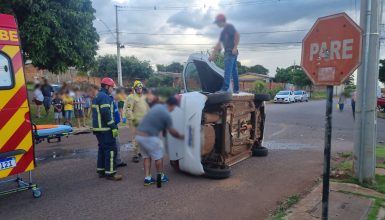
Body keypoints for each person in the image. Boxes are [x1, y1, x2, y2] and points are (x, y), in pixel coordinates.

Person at [136, 96, 184, 186]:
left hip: (139, 135)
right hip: (149, 137)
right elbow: (172, 131)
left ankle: (147, 178)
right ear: (172, 105)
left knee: (147, 157)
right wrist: (182, 137)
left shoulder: (157, 107)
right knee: (159, 156)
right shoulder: (167, 114)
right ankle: (160, 177)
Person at [92, 77, 122, 181]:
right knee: (110, 150)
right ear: (107, 86)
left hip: (99, 129)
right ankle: (110, 173)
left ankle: (101, 170)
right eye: (112, 87)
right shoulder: (104, 97)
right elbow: (106, 113)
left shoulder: (98, 96)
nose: (112, 89)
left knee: (102, 150)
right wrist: (113, 127)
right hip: (105, 129)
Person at [209, 14, 241, 93]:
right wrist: (213, 54)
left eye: (217, 22)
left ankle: (225, 88)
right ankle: (236, 89)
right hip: (230, 52)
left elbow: (237, 34)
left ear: (221, 21)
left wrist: (235, 47)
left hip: (230, 51)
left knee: (228, 71)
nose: (217, 24)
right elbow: (219, 44)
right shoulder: (223, 32)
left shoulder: (229, 27)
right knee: (234, 71)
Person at [125, 80, 149, 163]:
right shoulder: (131, 97)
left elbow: (146, 108)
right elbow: (128, 110)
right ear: (134, 88)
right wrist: (133, 120)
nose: (139, 89)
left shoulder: (143, 97)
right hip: (135, 121)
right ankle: (134, 155)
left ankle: (139, 152)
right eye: (137, 88)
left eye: (140, 87)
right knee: (136, 138)